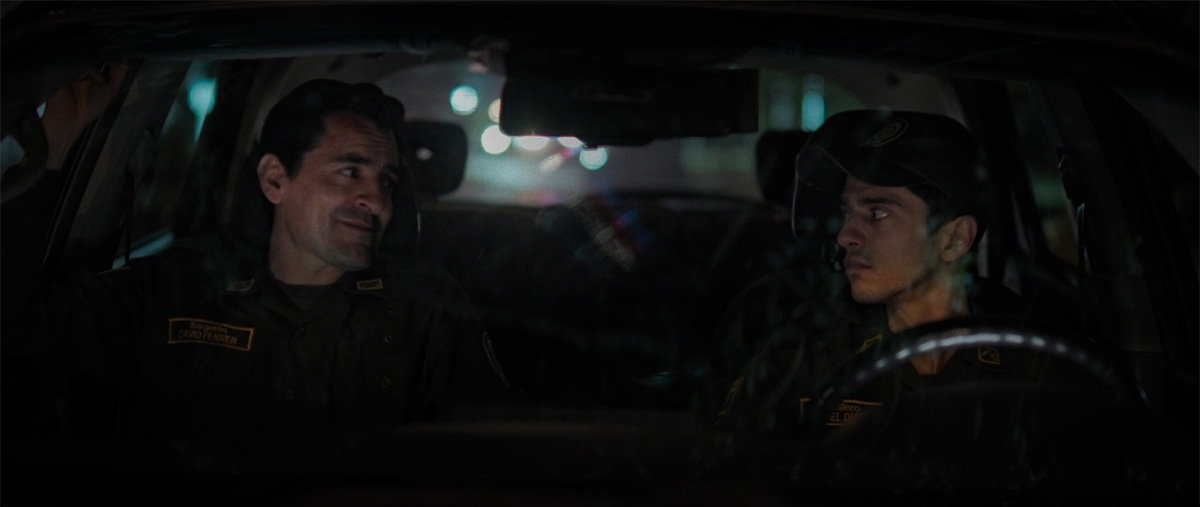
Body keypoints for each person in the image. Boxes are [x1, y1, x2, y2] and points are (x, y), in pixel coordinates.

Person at [1, 63, 512, 451]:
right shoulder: (181, 285)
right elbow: (17, 323)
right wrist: (59, 136)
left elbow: (491, 454)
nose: (376, 202)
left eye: (387, 182)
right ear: (274, 179)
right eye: (350, 172)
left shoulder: (425, 308)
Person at [714, 109, 1097, 435]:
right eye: (847, 212)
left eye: (878, 212)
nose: (845, 235)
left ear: (954, 239)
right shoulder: (807, 348)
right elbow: (729, 466)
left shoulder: (1035, 359)